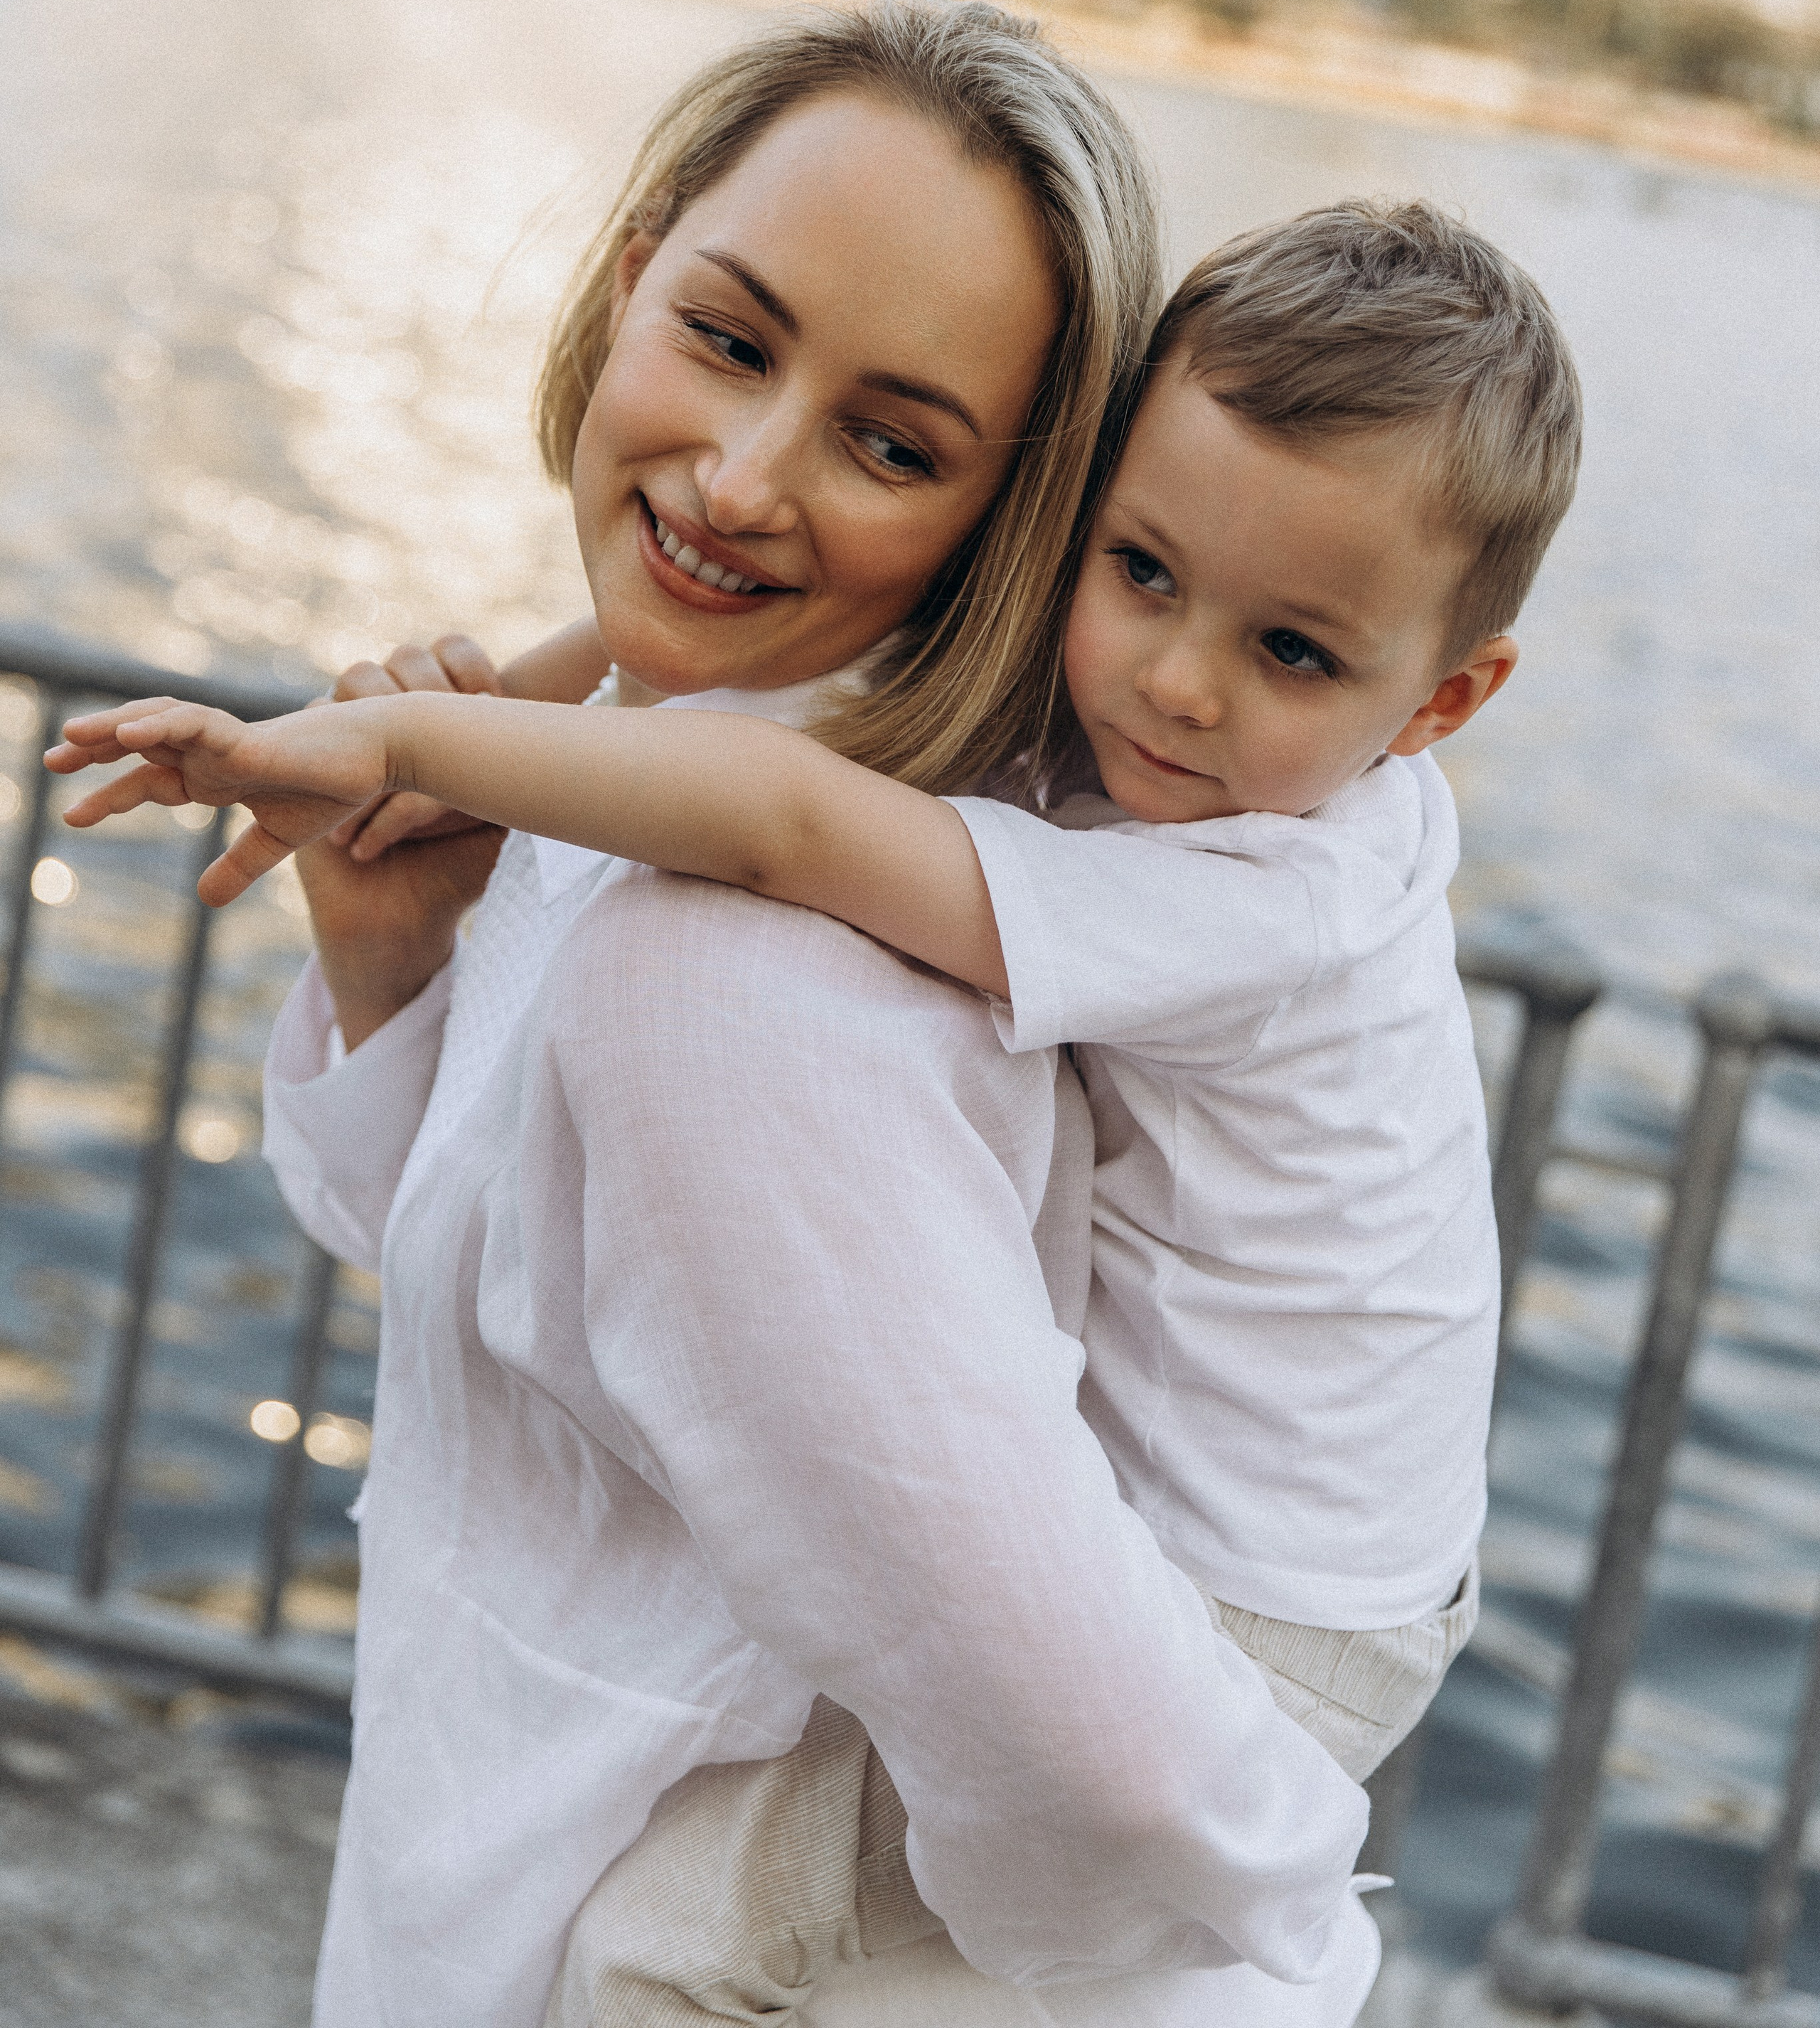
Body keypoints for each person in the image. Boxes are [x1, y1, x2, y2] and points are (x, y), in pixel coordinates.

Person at [58, 199, 1582, 2027]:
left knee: (667, 1943)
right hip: (1232, 1589)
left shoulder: (1245, 880)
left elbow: (769, 822)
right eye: (1142, 575)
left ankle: (1290, 1930)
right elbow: (651, 741)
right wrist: (466, 741)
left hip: (1256, 1632)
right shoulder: (1146, 777)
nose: (1177, 681)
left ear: (1447, 700)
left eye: (1295, 653)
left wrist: (395, 747)